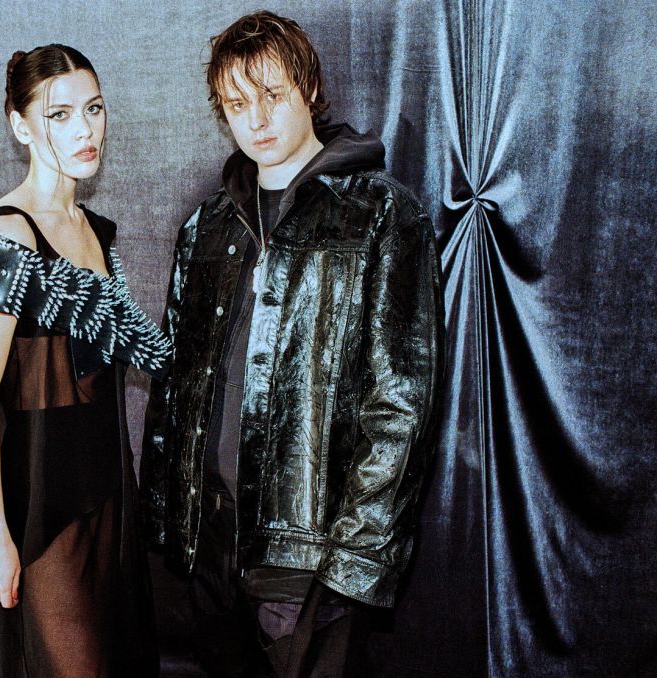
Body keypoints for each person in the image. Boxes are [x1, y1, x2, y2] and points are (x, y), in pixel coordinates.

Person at [140, 11, 444, 678]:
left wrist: (352, 561)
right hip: (208, 549)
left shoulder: (381, 215)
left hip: (311, 558)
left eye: (271, 95)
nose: (256, 120)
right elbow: (175, 385)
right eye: (236, 104)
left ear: (308, 87)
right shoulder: (207, 225)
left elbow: (402, 404)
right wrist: (167, 524)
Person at [0, 44, 168, 678]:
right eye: (60, 114)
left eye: (94, 109)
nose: (84, 130)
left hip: (111, 501)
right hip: (43, 514)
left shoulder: (97, 231)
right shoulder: (6, 235)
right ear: (20, 127)